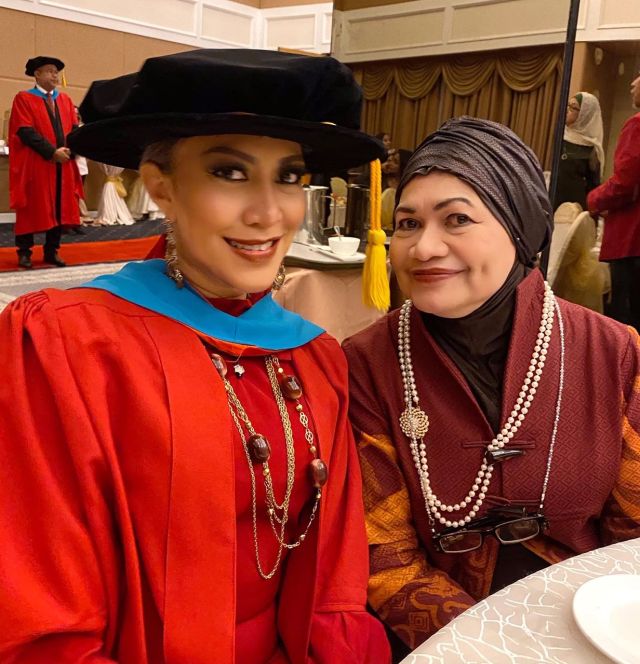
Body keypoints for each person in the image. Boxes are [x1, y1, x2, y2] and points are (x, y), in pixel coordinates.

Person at [0, 49, 390, 663]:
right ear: (162, 186)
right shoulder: (69, 345)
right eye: (229, 172)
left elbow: (333, 582)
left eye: (289, 176)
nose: (269, 213)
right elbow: (43, 616)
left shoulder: (313, 358)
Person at [344, 117, 640, 659]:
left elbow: (633, 544)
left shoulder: (613, 353)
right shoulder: (367, 364)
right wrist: (489, 647)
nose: (423, 247)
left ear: (519, 225)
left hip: (593, 628)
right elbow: (383, 555)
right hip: (444, 642)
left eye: (456, 219)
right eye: (407, 224)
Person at [8, 56, 84, 268]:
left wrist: (70, 151)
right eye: (50, 71)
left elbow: (74, 130)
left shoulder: (65, 100)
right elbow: (25, 131)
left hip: (62, 166)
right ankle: (24, 252)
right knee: (30, 207)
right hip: (36, 164)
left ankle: (52, 251)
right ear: (37, 74)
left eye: (56, 72)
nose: (55, 75)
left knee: (59, 207)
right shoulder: (24, 98)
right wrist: (51, 152)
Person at [588, 72, 640, 331]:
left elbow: (625, 183)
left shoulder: (637, 125)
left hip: (632, 239)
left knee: (627, 325)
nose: (633, 83)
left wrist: (594, 199)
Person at [553, 91, 604, 210]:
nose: (567, 110)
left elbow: (593, 186)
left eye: (573, 107)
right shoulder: (561, 135)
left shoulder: (592, 148)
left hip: (574, 208)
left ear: (584, 115)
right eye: (568, 105)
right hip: (553, 200)